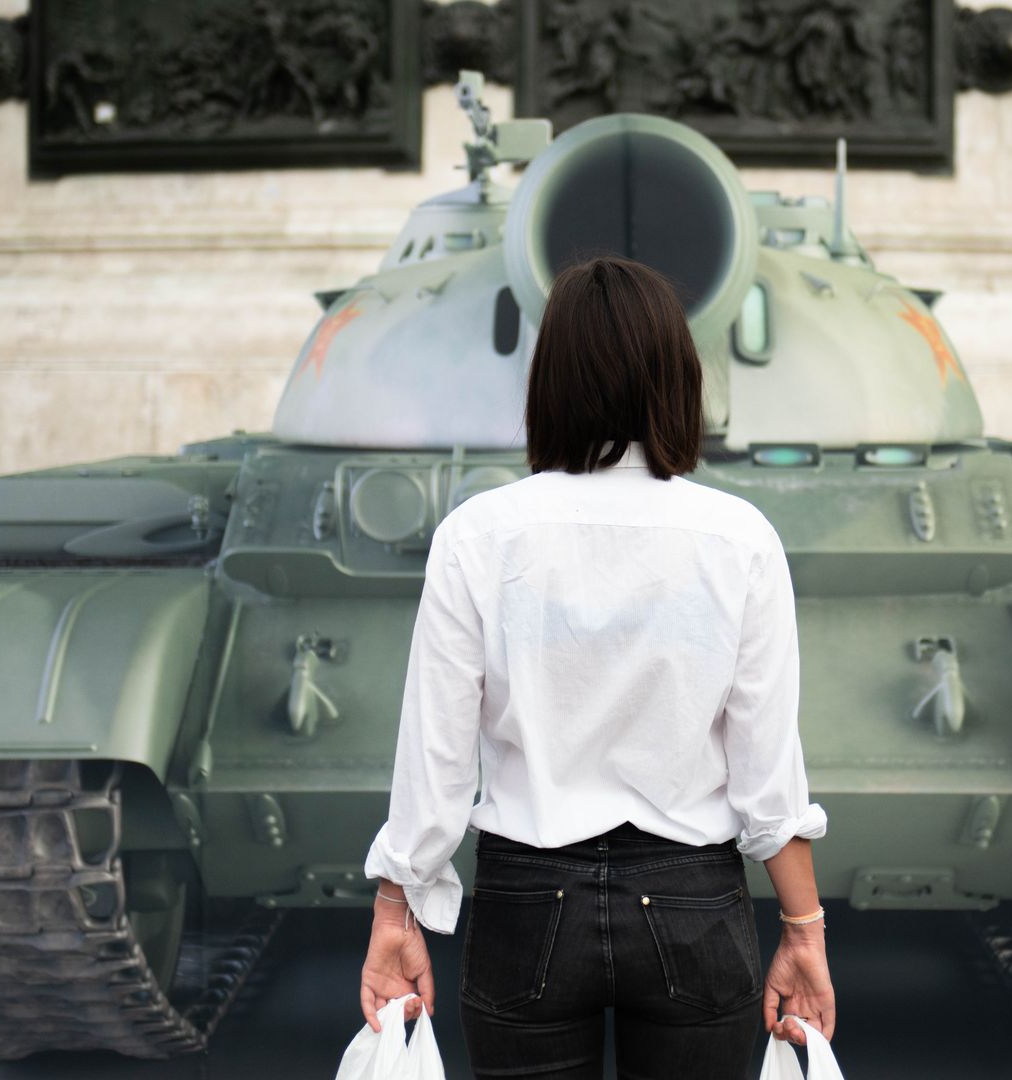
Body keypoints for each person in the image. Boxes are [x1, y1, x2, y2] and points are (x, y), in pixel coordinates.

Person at [357, 256, 836, 1077]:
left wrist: (396, 908)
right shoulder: (739, 537)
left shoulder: (478, 534)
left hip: (526, 906)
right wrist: (803, 929)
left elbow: (436, 757)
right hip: (692, 897)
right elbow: (767, 771)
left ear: (550, 382)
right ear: (679, 379)